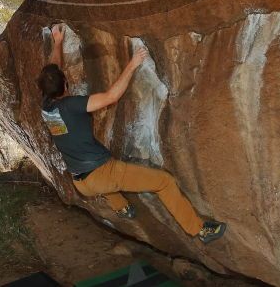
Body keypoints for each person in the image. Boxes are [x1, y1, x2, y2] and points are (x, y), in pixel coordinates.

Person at [37, 24, 226, 243]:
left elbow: (52, 70)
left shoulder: (46, 104)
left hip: (80, 182)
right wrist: (133, 64)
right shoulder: (72, 105)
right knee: (164, 182)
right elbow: (109, 97)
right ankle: (199, 230)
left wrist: (57, 42)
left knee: (104, 181)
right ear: (66, 85)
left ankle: (122, 208)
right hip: (102, 175)